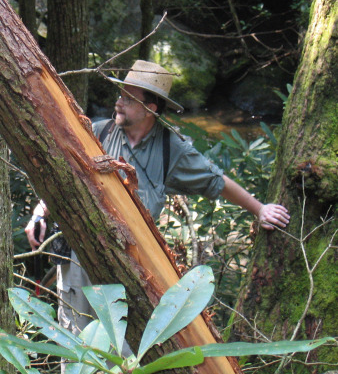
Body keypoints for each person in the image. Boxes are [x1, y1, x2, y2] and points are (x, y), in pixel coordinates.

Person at [25, 60, 289, 351]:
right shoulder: (96, 133)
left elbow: (217, 180)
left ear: (151, 107)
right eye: (120, 94)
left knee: (121, 353)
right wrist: (41, 211)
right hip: (78, 257)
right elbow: (63, 174)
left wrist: (259, 208)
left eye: (128, 98)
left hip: (127, 266)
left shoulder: (171, 150)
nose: (119, 103)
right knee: (75, 346)